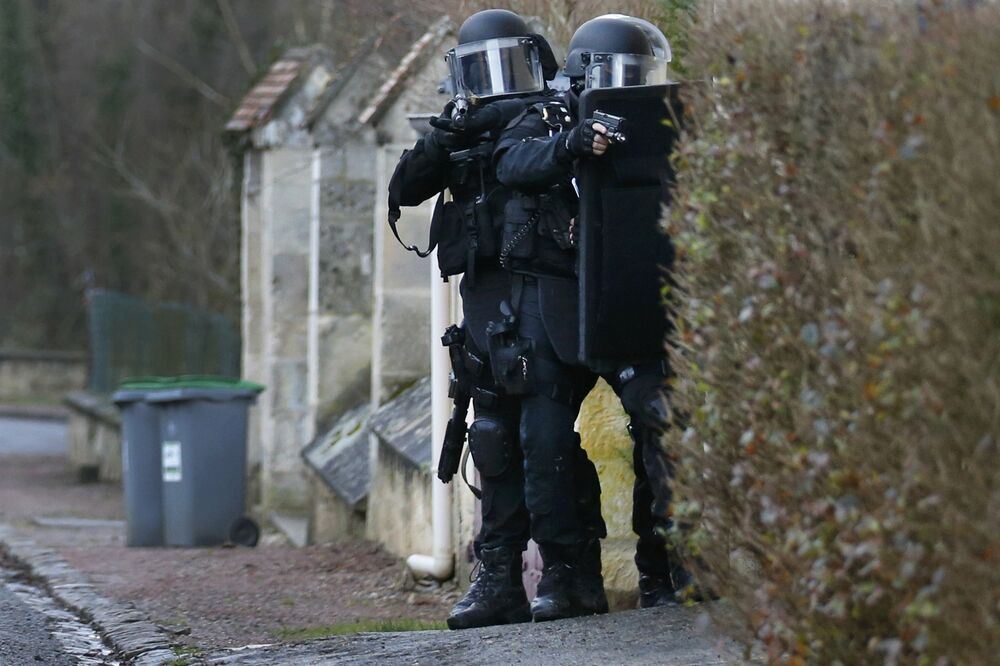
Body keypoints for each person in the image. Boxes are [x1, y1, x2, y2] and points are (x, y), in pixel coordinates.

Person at [386, 9, 607, 630]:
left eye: (508, 65)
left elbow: (531, 166)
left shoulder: (555, 114)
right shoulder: (463, 131)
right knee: (493, 441)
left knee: (543, 439)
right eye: (480, 71)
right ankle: (499, 577)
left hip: (546, 295)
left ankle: (570, 572)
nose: (496, 83)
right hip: (486, 302)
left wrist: (548, 134)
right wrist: (442, 135)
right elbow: (405, 186)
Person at [491, 14, 693, 615]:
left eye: (643, 76)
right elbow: (512, 163)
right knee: (543, 435)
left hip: (629, 298)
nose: (632, 86)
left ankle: (665, 570)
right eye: (619, 76)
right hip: (555, 300)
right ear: (584, 75)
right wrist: (571, 144)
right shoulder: (545, 116)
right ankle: (568, 574)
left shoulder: (663, 119)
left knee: (662, 420)